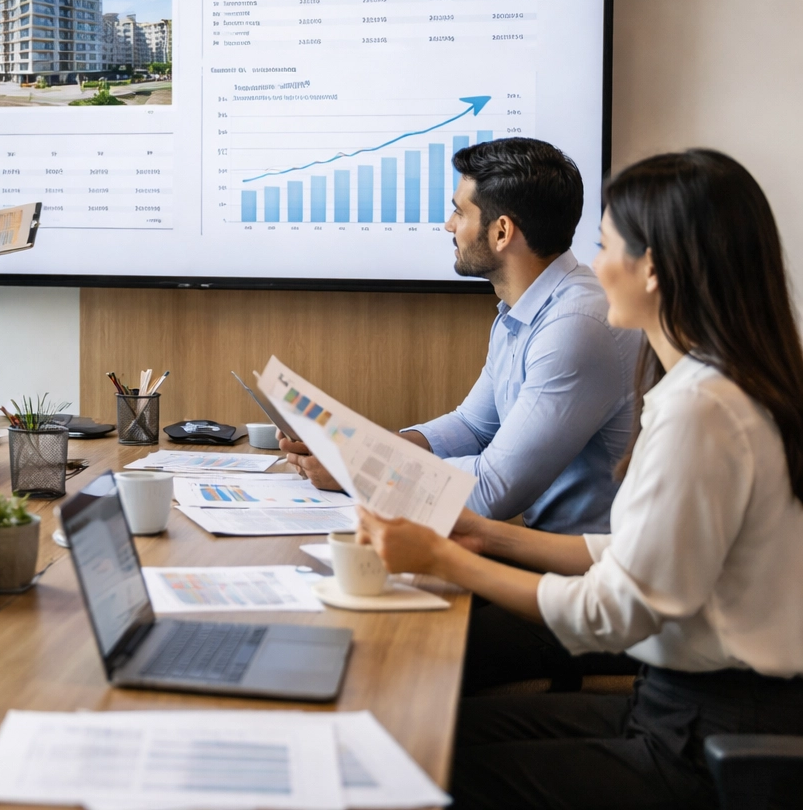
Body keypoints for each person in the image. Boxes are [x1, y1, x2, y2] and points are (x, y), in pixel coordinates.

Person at [359, 149, 803, 809]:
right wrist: (486, 535)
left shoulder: (701, 409)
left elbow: (616, 610)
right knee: (424, 734)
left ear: (653, 267)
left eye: (605, 246)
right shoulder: (713, 385)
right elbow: (630, 552)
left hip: (705, 733)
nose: (595, 267)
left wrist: (450, 558)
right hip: (683, 706)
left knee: (424, 762)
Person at [281, 139, 643, 691]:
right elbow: (472, 426)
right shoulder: (525, 310)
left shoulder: (577, 324)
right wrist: (359, 447)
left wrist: (364, 471)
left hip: (586, 586)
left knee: (382, 648)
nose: (448, 225)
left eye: (459, 211)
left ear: (501, 232)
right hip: (542, 563)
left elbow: (494, 490)